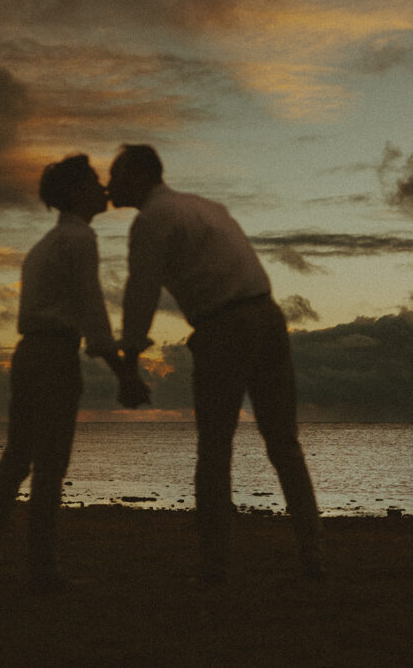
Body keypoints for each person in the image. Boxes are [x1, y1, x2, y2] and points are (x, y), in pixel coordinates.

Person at [108, 144, 323, 583]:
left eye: (115, 174)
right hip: (267, 315)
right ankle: (313, 555)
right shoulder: (206, 207)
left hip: (224, 324)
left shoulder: (151, 220)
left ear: (140, 175)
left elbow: (141, 293)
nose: (109, 184)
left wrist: (129, 362)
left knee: (215, 449)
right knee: (284, 444)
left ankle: (215, 565)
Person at [0, 154, 144, 593]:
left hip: (29, 352)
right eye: (93, 181)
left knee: (15, 461)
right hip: (53, 354)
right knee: (49, 466)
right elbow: (92, 311)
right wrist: (123, 371)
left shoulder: (41, 248)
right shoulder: (79, 239)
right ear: (74, 193)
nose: (104, 188)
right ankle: (43, 572)